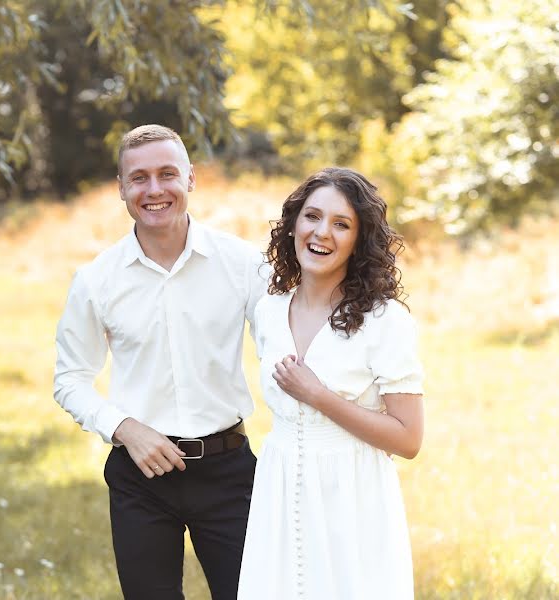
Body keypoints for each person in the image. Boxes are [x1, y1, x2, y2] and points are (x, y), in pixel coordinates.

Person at [53, 124, 266, 599]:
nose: (154, 190)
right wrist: (125, 428)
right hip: (139, 476)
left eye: (167, 174)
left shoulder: (243, 264)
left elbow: (285, 350)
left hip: (228, 471)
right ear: (122, 189)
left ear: (190, 179)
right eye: (139, 178)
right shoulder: (96, 280)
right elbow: (70, 379)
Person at [237, 167, 424, 600]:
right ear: (293, 225)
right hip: (279, 491)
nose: (322, 232)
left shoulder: (384, 320)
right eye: (312, 216)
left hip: (352, 498)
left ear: (359, 241)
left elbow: (409, 439)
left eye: (342, 224)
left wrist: (318, 396)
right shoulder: (268, 309)